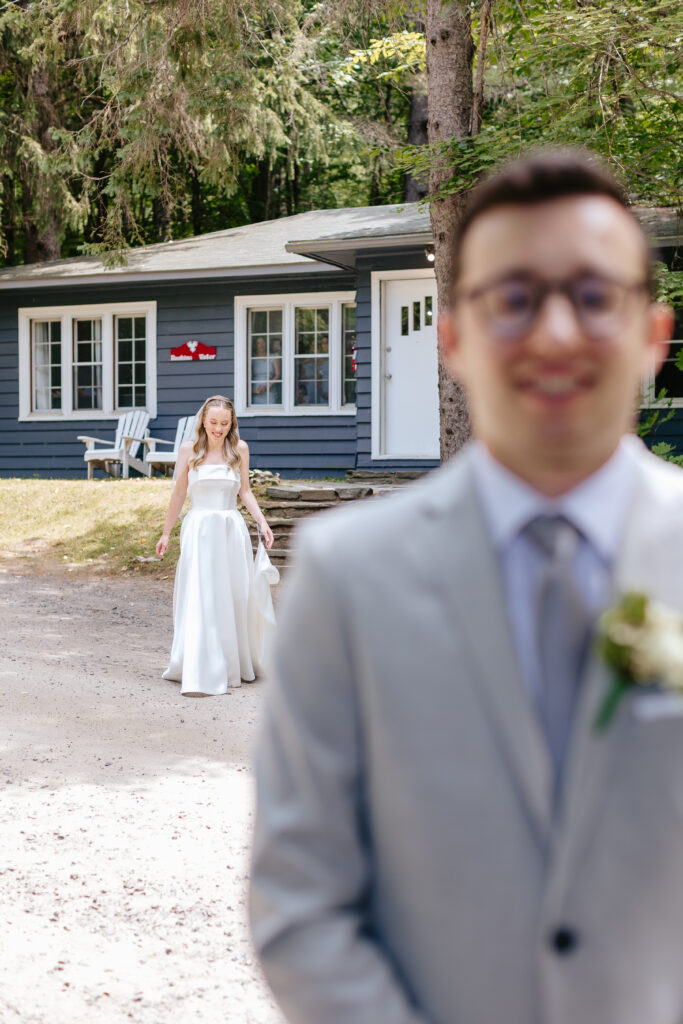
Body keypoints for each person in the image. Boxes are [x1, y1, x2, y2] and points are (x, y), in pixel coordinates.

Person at [249, 149, 683, 1024]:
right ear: (452, 340)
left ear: (651, 334)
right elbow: (300, 904)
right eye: (513, 298)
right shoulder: (345, 575)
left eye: (593, 296)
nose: (554, 332)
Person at [156, 395, 277, 697]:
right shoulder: (189, 450)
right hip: (199, 530)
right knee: (201, 594)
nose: (218, 429)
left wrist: (262, 521)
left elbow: (245, 491)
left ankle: (230, 661)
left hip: (230, 529)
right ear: (203, 421)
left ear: (232, 423)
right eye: (213, 422)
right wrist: (166, 533)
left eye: (224, 423)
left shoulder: (239, 449)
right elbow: (178, 494)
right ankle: (200, 665)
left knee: (232, 594)